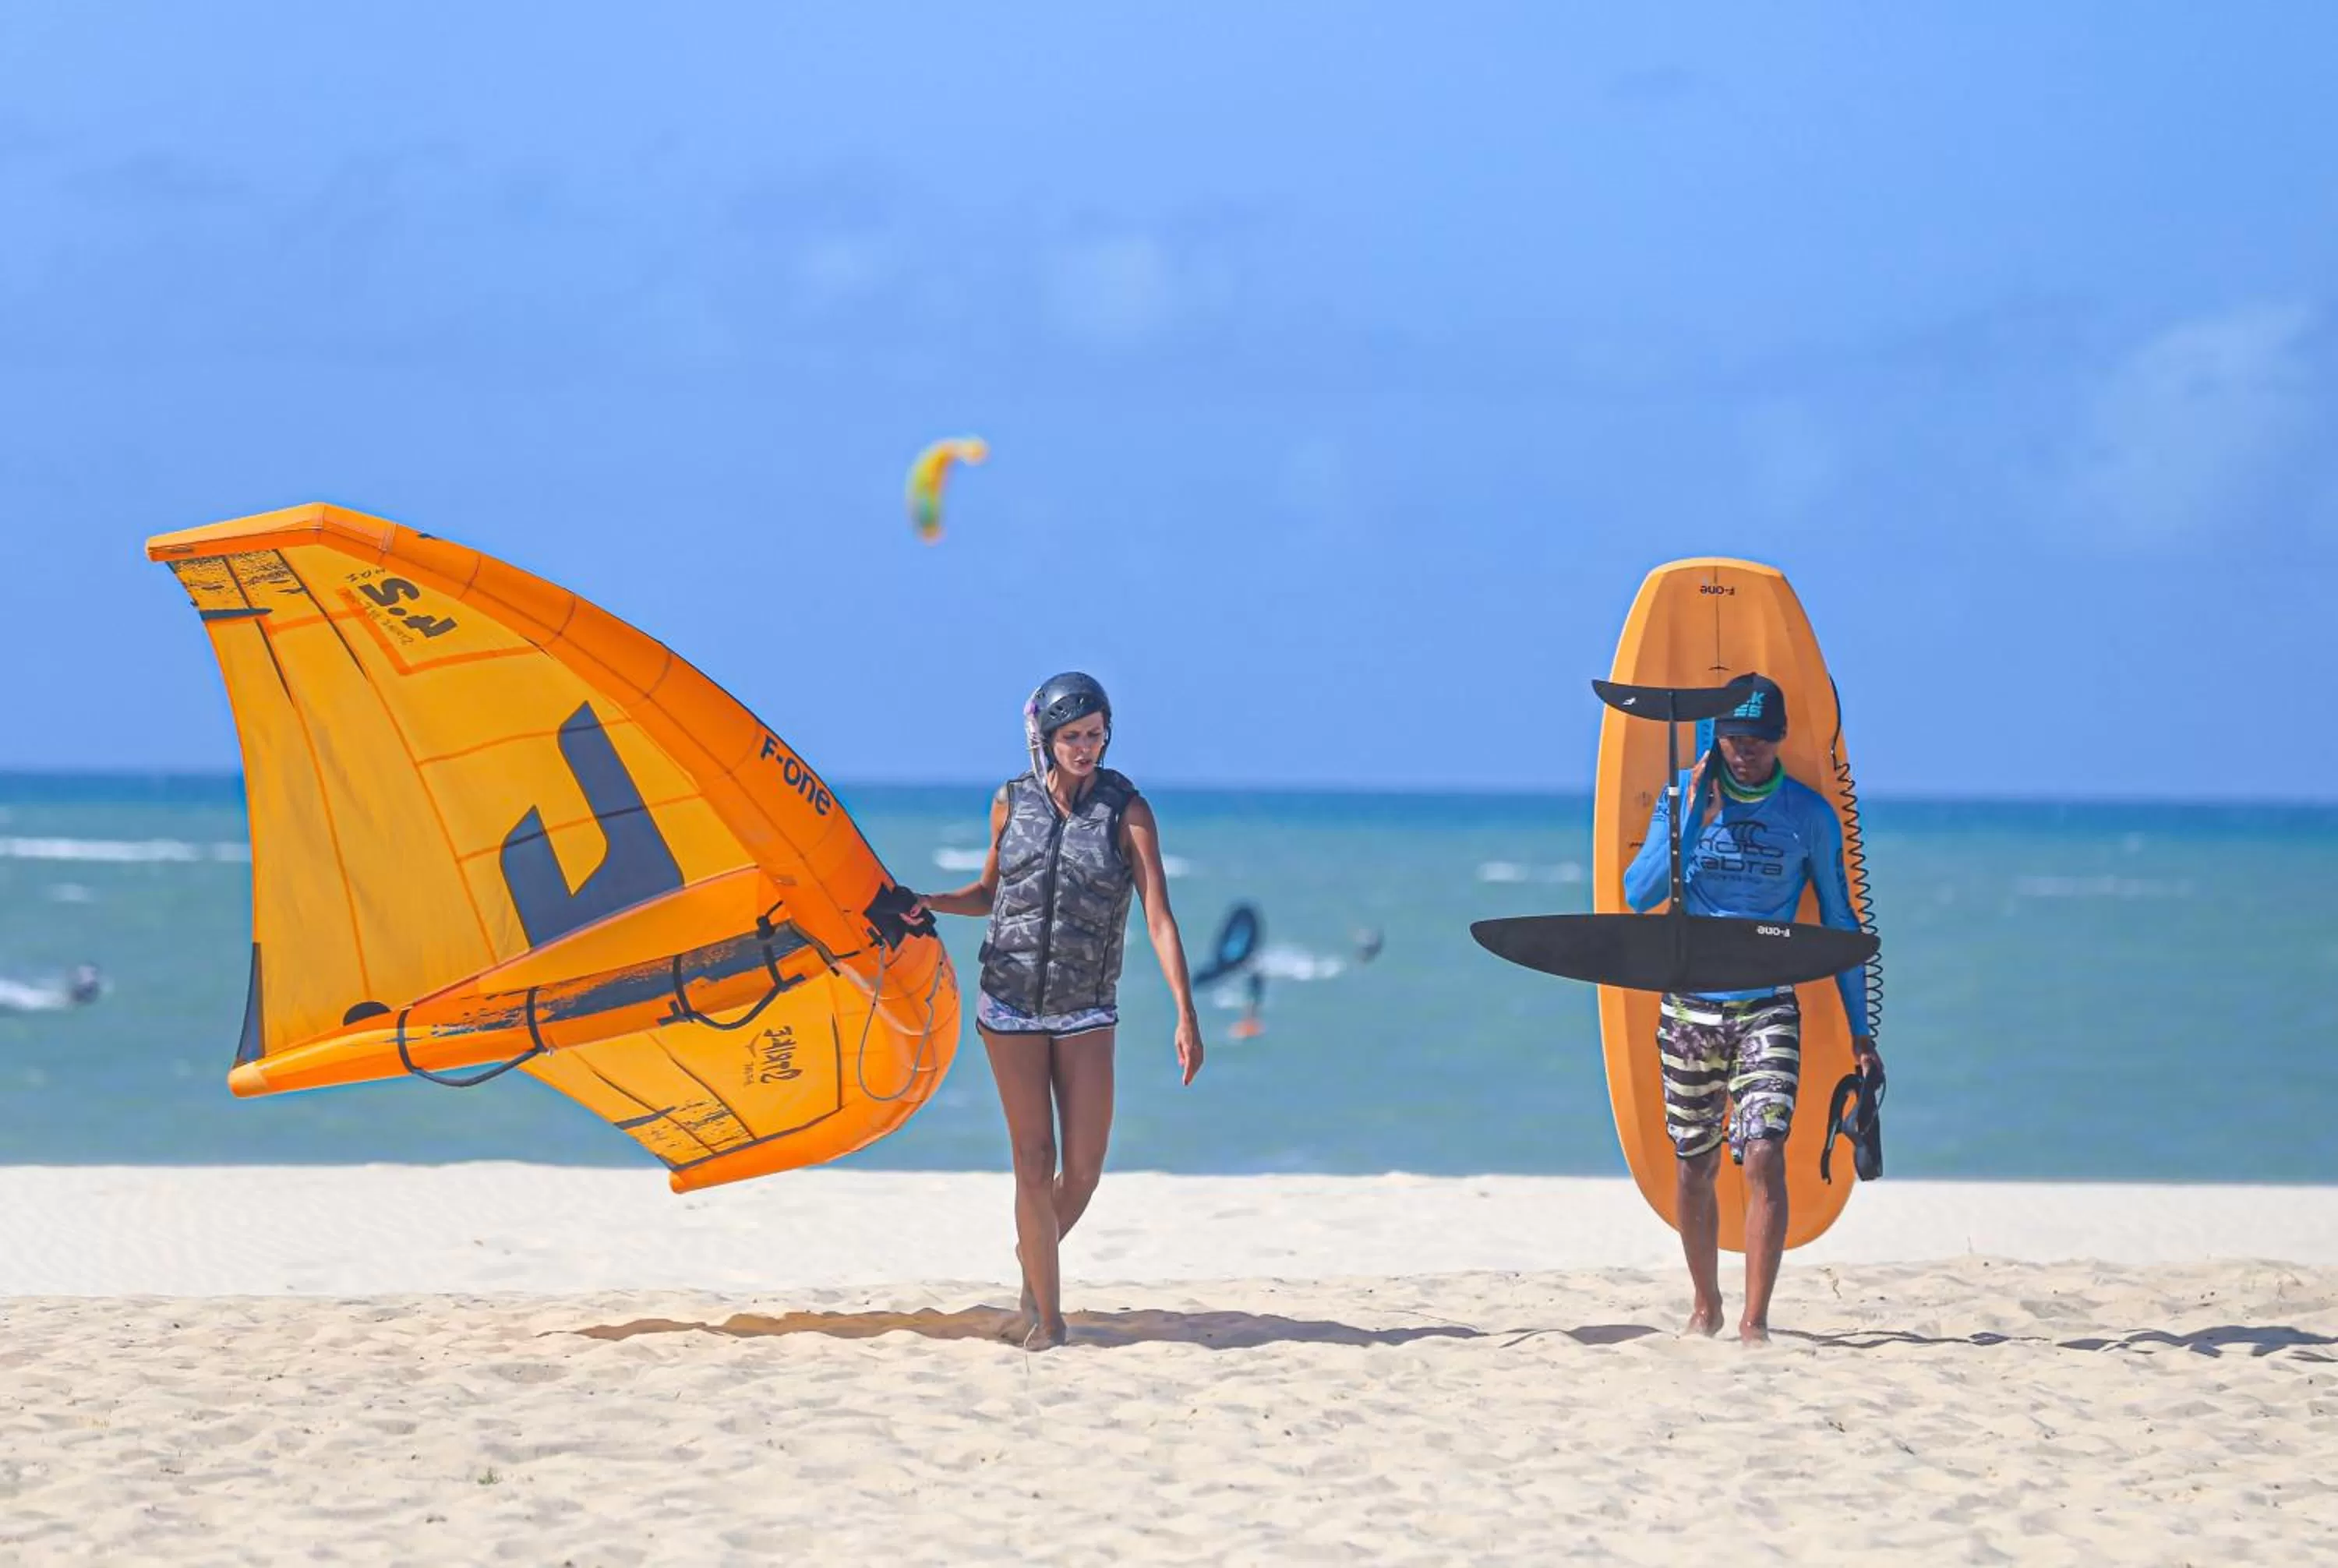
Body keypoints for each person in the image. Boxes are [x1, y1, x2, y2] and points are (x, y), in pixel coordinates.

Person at [908, 673, 1204, 1349]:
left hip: (1086, 1008)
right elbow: (990, 893)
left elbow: (1159, 917)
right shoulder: (1009, 803)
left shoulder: (1127, 812)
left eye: (1095, 735)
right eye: (1071, 737)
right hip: (1008, 1005)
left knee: (1087, 1170)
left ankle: (1030, 1258)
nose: (1085, 748)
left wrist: (1185, 1012)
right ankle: (1047, 1317)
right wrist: (928, 901)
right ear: (1043, 738)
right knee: (1034, 1163)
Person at [1622, 673, 1880, 1344]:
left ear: (1779, 740)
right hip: (1689, 1008)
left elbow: (1841, 917)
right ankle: (1705, 1304)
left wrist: (1861, 1029)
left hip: (1768, 1006)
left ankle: (1754, 1321)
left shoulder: (1809, 816)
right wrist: (1692, 811)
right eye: (1735, 740)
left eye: (1760, 742)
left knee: (1765, 1151)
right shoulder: (1684, 798)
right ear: (1717, 740)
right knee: (1695, 1163)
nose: (1747, 753)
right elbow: (1638, 894)